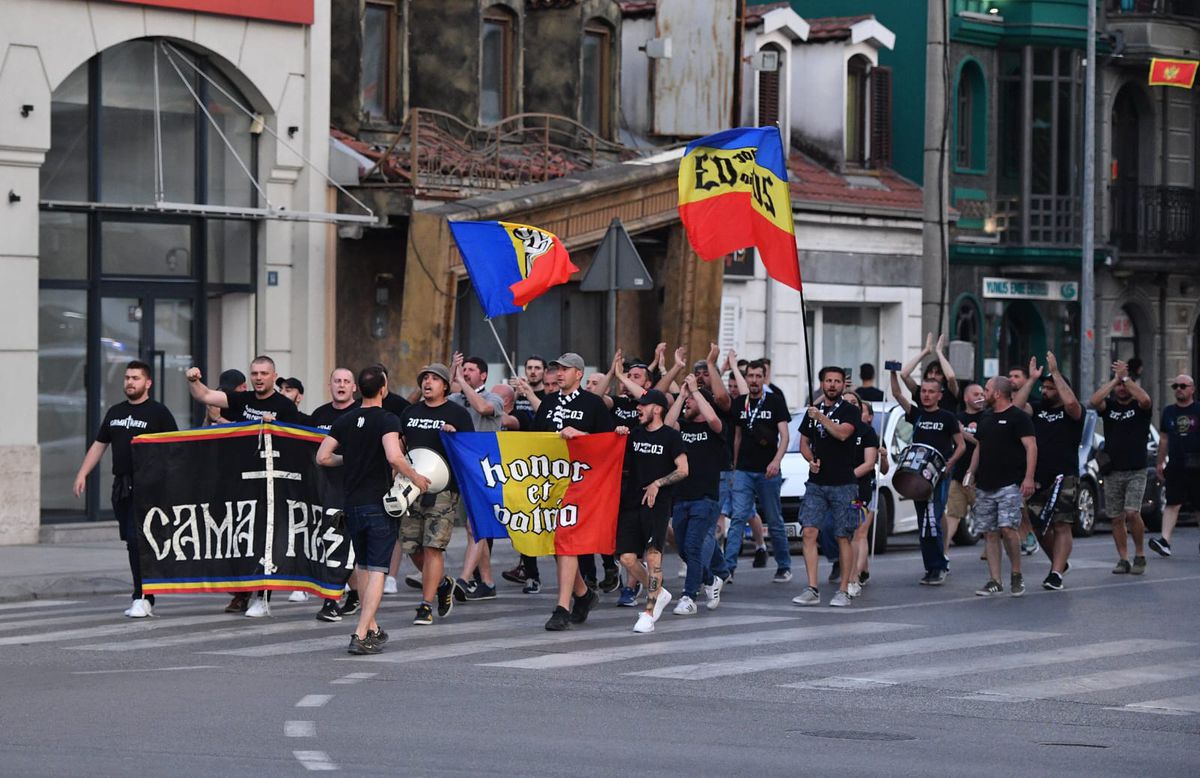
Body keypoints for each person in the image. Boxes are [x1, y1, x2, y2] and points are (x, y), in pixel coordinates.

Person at [317, 365, 431, 654]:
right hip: (379, 505)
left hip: (351, 504)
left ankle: (372, 627)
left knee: (364, 566)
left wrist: (349, 460)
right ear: (383, 389)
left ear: (359, 388)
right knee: (378, 568)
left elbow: (322, 456)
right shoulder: (387, 419)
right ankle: (359, 633)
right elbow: (394, 456)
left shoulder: (345, 419)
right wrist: (416, 477)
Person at [186, 355, 303, 615]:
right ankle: (242, 592)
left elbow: (298, 443)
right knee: (240, 537)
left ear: (274, 376)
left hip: (270, 483)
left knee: (266, 539)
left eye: (264, 373)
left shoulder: (285, 406)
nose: (259, 378)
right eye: (255, 373)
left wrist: (278, 429)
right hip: (238, 480)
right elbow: (205, 396)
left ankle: (262, 597)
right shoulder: (242, 399)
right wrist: (193, 379)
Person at [73, 360, 178, 618]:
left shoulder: (158, 413)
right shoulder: (115, 412)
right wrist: (83, 472)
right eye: (127, 378)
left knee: (137, 540)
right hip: (122, 485)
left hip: (148, 486)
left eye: (136, 378)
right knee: (132, 544)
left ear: (148, 383)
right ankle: (145, 594)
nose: (130, 382)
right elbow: (100, 444)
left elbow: (175, 449)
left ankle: (142, 596)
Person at [532, 353, 615, 631]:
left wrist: (582, 437)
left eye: (565, 369)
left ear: (578, 374)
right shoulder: (548, 402)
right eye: (557, 369)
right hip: (551, 481)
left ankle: (562, 607)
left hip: (582, 483)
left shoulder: (593, 404)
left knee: (567, 540)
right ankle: (583, 594)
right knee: (556, 544)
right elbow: (534, 439)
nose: (559, 373)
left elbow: (609, 442)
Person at [398, 362, 474, 625]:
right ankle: (443, 583)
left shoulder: (457, 413)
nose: (427, 383)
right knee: (412, 547)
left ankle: (425, 605)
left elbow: (469, 450)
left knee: (433, 547)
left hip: (443, 490)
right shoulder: (409, 412)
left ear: (445, 385)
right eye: (424, 378)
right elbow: (400, 445)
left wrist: (454, 437)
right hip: (411, 488)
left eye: (433, 379)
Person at [613, 390, 688, 633]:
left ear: (657, 409)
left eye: (643, 406)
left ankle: (649, 610)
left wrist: (658, 483)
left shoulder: (670, 437)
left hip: (657, 504)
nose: (638, 409)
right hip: (631, 502)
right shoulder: (634, 434)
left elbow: (683, 469)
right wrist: (618, 435)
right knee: (626, 558)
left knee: (653, 556)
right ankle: (660, 591)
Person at [1014, 352, 1084, 591]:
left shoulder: (1072, 412)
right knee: (1038, 525)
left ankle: (1055, 573)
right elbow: (1016, 407)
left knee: (1061, 524)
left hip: (1065, 476)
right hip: (1038, 477)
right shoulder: (1037, 409)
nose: (1045, 392)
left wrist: (1055, 373)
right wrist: (1031, 380)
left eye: (1050, 388)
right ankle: (1060, 562)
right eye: (1043, 388)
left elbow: (1072, 404)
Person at [889, 369, 966, 585]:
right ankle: (931, 566)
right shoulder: (917, 414)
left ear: (940, 395)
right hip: (917, 477)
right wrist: (893, 373)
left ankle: (939, 566)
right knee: (924, 521)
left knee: (933, 519)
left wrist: (949, 464)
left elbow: (960, 445)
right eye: (923, 391)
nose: (926, 395)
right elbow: (897, 394)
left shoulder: (948, 417)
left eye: (932, 392)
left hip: (938, 476)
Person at [794, 367, 859, 607]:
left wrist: (820, 417)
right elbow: (803, 442)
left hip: (844, 483)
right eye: (828, 381)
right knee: (809, 531)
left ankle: (843, 589)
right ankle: (812, 587)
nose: (832, 385)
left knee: (843, 535)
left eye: (837, 381)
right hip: (816, 484)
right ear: (822, 383)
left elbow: (842, 434)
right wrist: (810, 459)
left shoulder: (850, 410)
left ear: (844, 385)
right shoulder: (812, 412)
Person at [665, 375, 730, 615]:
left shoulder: (715, 428)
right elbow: (667, 424)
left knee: (692, 547)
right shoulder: (683, 427)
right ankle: (712, 578)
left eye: (692, 401)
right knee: (682, 547)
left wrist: (696, 392)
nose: (688, 404)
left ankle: (689, 597)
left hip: (705, 498)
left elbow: (713, 418)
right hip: (681, 497)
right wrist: (682, 395)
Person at [966, 376, 1036, 597]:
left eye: (986, 390)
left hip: (1010, 484)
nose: (983, 394)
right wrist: (971, 471)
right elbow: (979, 447)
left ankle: (1016, 574)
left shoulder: (1019, 417)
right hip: (985, 485)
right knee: (990, 533)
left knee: (1008, 528)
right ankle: (995, 580)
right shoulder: (985, 418)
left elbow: (1031, 447)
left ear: (997, 393)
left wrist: (1029, 478)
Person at [726, 360, 793, 584]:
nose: (754, 380)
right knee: (738, 518)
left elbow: (785, 436)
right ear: (746, 379)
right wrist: (734, 468)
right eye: (750, 376)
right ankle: (728, 568)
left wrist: (776, 461)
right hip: (744, 469)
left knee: (774, 520)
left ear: (764, 378)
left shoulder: (774, 402)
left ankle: (784, 566)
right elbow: (737, 436)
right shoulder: (739, 404)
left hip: (768, 471)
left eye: (758, 376)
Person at [449, 354, 506, 601]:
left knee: (476, 526)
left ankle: (463, 579)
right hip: (461, 471)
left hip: (485, 472)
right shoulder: (454, 399)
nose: (467, 373)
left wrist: (461, 382)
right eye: (464, 369)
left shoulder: (493, 398)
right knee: (473, 528)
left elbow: (482, 408)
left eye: (471, 370)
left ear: (483, 375)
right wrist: (454, 375)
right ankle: (487, 582)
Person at [308, 368, 362, 621]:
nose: (341, 385)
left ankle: (332, 600)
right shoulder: (318, 415)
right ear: (329, 385)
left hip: (353, 490)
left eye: (346, 381)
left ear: (354, 387)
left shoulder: (361, 413)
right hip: (322, 490)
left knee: (342, 545)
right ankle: (354, 594)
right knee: (333, 545)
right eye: (337, 381)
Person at [1088, 361, 1152, 574]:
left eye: (1125, 385)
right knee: (1116, 517)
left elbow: (1145, 399)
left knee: (1132, 513)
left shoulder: (1140, 408)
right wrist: (1115, 379)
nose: (1122, 389)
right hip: (1113, 470)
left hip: (1136, 469)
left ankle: (1140, 554)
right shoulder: (1110, 407)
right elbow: (1094, 401)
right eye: (1119, 387)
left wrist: (1125, 378)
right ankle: (1123, 558)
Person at [1151, 374, 1200, 557]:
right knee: (1172, 503)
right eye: (1175, 386)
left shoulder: (1198, 409)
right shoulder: (1169, 412)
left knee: (1198, 505)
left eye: (1183, 386)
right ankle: (1165, 541)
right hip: (1176, 464)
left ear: (1192, 389)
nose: (1178, 389)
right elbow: (1164, 439)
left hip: (1197, 464)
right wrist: (1160, 463)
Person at [842, 393, 881, 599]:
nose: (850, 406)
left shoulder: (867, 433)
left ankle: (854, 577)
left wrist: (846, 475)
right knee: (843, 533)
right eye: (846, 402)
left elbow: (869, 464)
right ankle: (853, 570)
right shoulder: (837, 428)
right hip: (839, 489)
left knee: (859, 532)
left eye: (854, 403)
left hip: (861, 489)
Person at [944, 382, 985, 549]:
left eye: (982, 393)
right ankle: (943, 553)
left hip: (980, 478)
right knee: (952, 515)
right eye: (976, 394)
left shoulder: (987, 417)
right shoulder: (957, 418)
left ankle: (990, 551)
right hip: (958, 476)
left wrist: (963, 433)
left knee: (987, 519)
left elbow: (983, 442)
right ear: (966, 398)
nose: (980, 397)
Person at [1007, 364, 1039, 556]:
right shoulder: (1001, 402)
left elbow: (1018, 408)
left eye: (1017, 376)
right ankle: (1022, 536)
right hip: (1007, 460)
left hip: (1026, 461)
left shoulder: (1033, 402)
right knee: (1016, 504)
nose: (1012, 379)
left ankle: (1030, 535)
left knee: (1022, 504)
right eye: (1010, 375)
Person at [900, 333, 960, 412]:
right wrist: (925, 351)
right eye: (930, 372)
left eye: (938, 373)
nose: (933, 376)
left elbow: (951, 377)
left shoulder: (950, 392)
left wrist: (939, 352)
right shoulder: (921, 392)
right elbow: (904, 374)